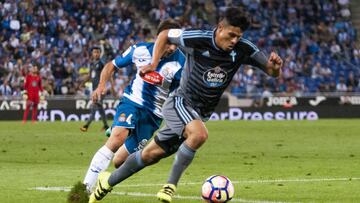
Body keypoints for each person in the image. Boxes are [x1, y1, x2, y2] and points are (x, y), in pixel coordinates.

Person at [89, 7, 283, 203]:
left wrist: (275, 69)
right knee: (199, 134)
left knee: (150, 155)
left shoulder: (244, 48)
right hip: (179, 103)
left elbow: (270, 70)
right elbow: (165, 34)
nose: (234, 41)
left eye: (238, 37)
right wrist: (154, 63)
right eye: (231, 35)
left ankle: (106, 183)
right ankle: (169, 187)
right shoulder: (197, 38)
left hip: (199, 114)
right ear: (220, 28)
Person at [77, 19, 185, 195]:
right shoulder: (140, 50)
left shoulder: (181, 63)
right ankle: (85, 188)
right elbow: (111, 65)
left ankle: (117, 131)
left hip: (153, 116)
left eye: (175, 43)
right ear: (159, 38)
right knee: (116, 139)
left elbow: (181, 93)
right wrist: (100, 86)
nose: (172, 48)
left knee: (119, 161)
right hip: (132, 102)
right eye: (168, 42)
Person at [80, 46, 111, 132]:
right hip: (94, 89)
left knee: (94, 106)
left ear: (100, 53)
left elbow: (108, 73)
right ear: (92, 54)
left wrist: (108, 86)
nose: (96, 54)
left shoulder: (101, 63)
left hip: (100, 89)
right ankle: (106, 126)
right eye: (94, 52)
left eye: (97, 52)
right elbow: (90, 75)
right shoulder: (92, 64)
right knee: (100, 109)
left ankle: (86, 126)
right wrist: (82, 83)